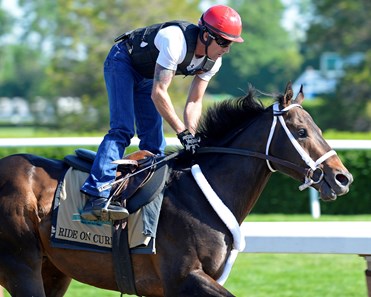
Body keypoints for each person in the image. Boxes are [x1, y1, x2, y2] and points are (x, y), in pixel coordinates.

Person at [80, 5, 244, 221]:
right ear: (206, 35)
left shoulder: (213, 62)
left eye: (230, 43)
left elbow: (194, 101)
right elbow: (159, 93)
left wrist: (191, 137)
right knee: (123, 129)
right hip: (123, 62)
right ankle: (96, 195)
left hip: (148, 76)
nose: (226, 49)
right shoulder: (175, 39)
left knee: (155, 144)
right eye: (223, 42)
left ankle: (140, 199)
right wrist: (181, 131)